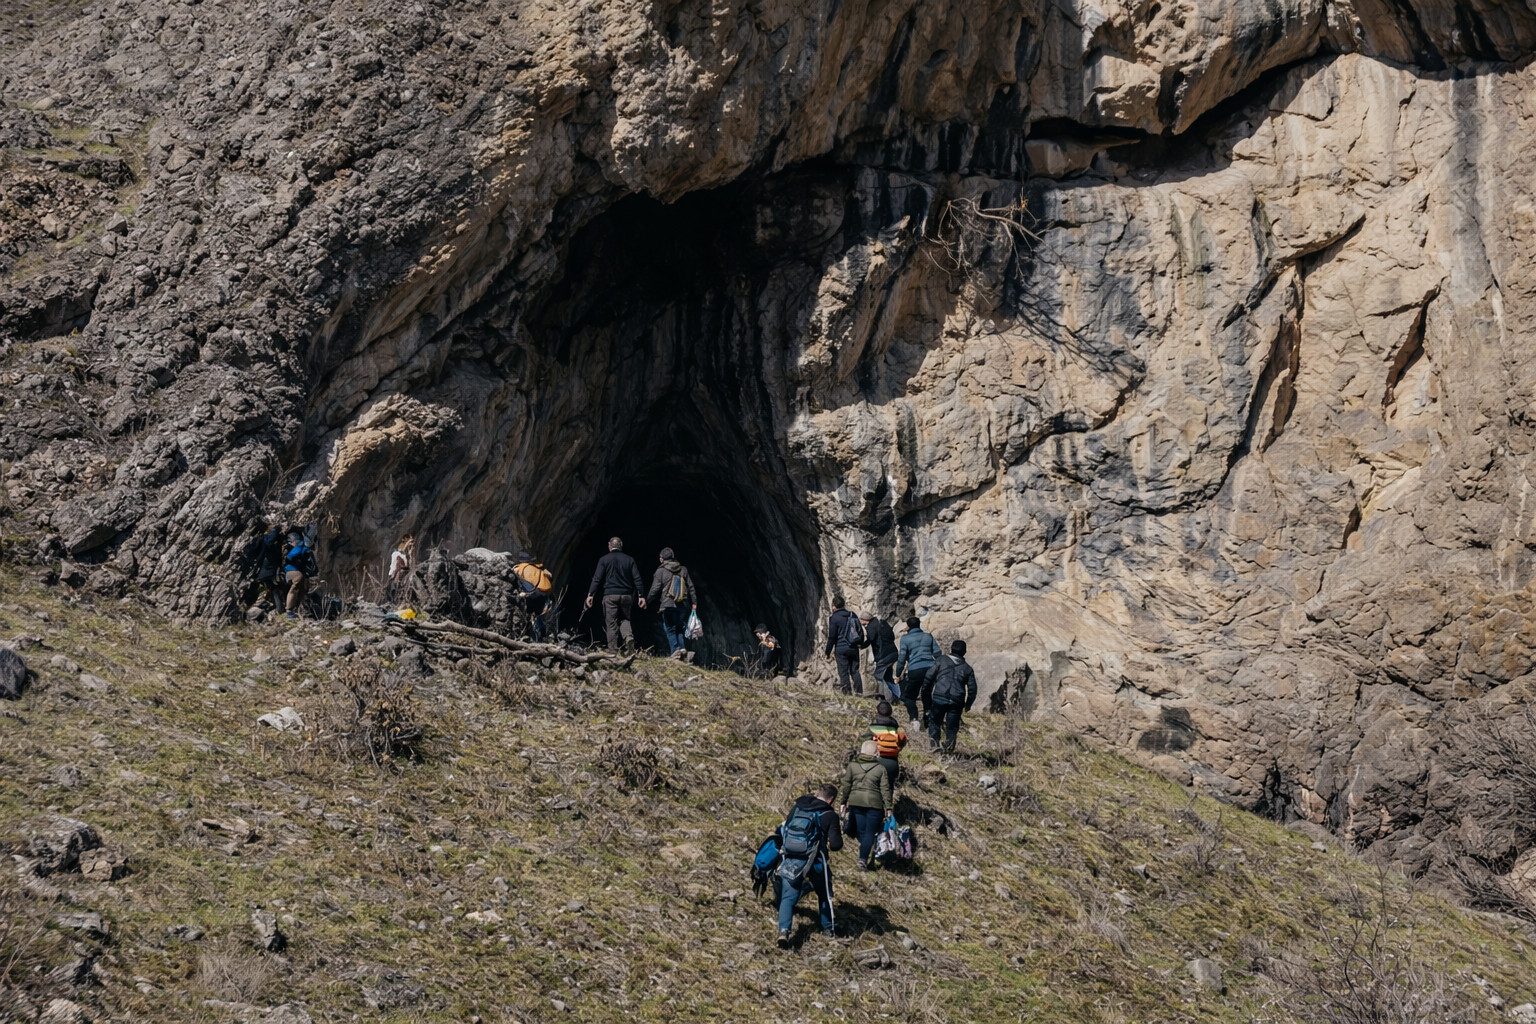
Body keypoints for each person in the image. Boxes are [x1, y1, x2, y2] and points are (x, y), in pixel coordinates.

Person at [776, 784, 844, 946]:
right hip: (815, 860)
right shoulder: (829, 814)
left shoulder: (798, 807)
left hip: (791, 857)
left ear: (816, 794)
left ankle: (784, 931)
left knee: (788, 896)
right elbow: (836, 845)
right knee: (824, 894)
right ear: (831, 800)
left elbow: (785, 828)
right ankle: (829, 929)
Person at [838, 740, 894, 870]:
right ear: (875, 753)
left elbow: (847, 785)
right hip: (874, 805)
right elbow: (885, 790)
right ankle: (863, 860)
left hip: (856, 802)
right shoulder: (880, 768)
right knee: (869, 833)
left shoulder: (852, 766)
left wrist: (843, 801)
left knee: (863, 832)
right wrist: (889, 808)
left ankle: (865, 852)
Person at [585, 537, 647, 652]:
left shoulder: (604, 559)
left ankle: (613, 651)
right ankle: (628, 637)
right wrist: (641, 596)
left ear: (609, 545)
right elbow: (637, 578)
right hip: (627, 595)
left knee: (611, 623)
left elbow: (597, 578)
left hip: (610, 595)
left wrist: (591, 594)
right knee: (625, 619)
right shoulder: (630, 560)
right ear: (621, 546)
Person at [924, 640, 978, 754]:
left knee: (934, 721)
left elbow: (929, 678)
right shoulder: (968, 669)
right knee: (952, 726)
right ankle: (948, 749)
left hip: (939, 697)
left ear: (951, 649)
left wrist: (926, 695)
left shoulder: (941, 660)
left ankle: (934, 746)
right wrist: (968, 703)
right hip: (957, 701)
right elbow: (972, 689)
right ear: (964, 652)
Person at [646, 547, 697, 660]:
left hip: (667, 604)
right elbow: (691, 587)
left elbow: (654, 590)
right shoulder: (683, 569)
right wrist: (694, 602)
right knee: (679, 627)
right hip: (682, 605)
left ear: (661, 559)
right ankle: (682, 649)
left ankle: (675, 651)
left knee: (669, 628)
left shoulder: (661, 571)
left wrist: (647, 601)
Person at [894, 616, 940, 725]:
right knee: (927, 693)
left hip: (915, 669)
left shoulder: (905, 639)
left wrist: (898, 673)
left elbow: (902, 657)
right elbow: (938, 653)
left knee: (909, 697)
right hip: (931, 668)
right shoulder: (928, 636)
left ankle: (914, 719)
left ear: (908, 627)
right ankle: (928, 717)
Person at [824, 597, 867, 695]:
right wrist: (859, 643)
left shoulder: (834, 618)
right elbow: (860, 631)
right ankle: (859, 693)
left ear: (834, 606)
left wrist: (828, 651)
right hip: (853, 647)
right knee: (855, 671)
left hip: (841, 648)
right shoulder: (852, 615)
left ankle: (847, 694)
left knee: (843, 672)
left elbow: (832, 637)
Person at [862, 700, 907, 791]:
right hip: (893, 764)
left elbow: (864, 742)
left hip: (876, 762)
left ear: (877, 711)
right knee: (888, 790)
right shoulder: (895, 728)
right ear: (890, 712)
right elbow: (902, 743)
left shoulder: (874, 728)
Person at [241, 523, 285, 609]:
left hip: (255, 571)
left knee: (267, 583)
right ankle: (280, 605)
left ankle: (247, 605)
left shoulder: (253, 543)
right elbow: (271, 538)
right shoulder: (265, 539)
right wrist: (277, 528)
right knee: (273, 583)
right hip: (267, 567)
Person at [282, 529, 319, 620]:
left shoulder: (291, 547)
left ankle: (298, 609)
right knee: (295, 588)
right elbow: (291, 556)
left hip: (290, 571)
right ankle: (289, 611)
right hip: (295, 571)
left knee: (303, 588)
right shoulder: (299, 546)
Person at [862, 612, 898, 701]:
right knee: (888, 677)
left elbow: (870, 639)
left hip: (883, 655)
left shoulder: (872, 627)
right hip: (893, 652)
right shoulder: (883, 623)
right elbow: (892, 636)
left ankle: (884, 698)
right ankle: (897, 696)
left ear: (865, 620)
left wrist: (860, 646)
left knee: (878, 676)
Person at [386, 536, 413, 604]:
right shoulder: (396, 554)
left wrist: (410, 555)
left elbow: (409, 565)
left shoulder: (407, 556)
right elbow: (398, 563)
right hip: (397, 575)